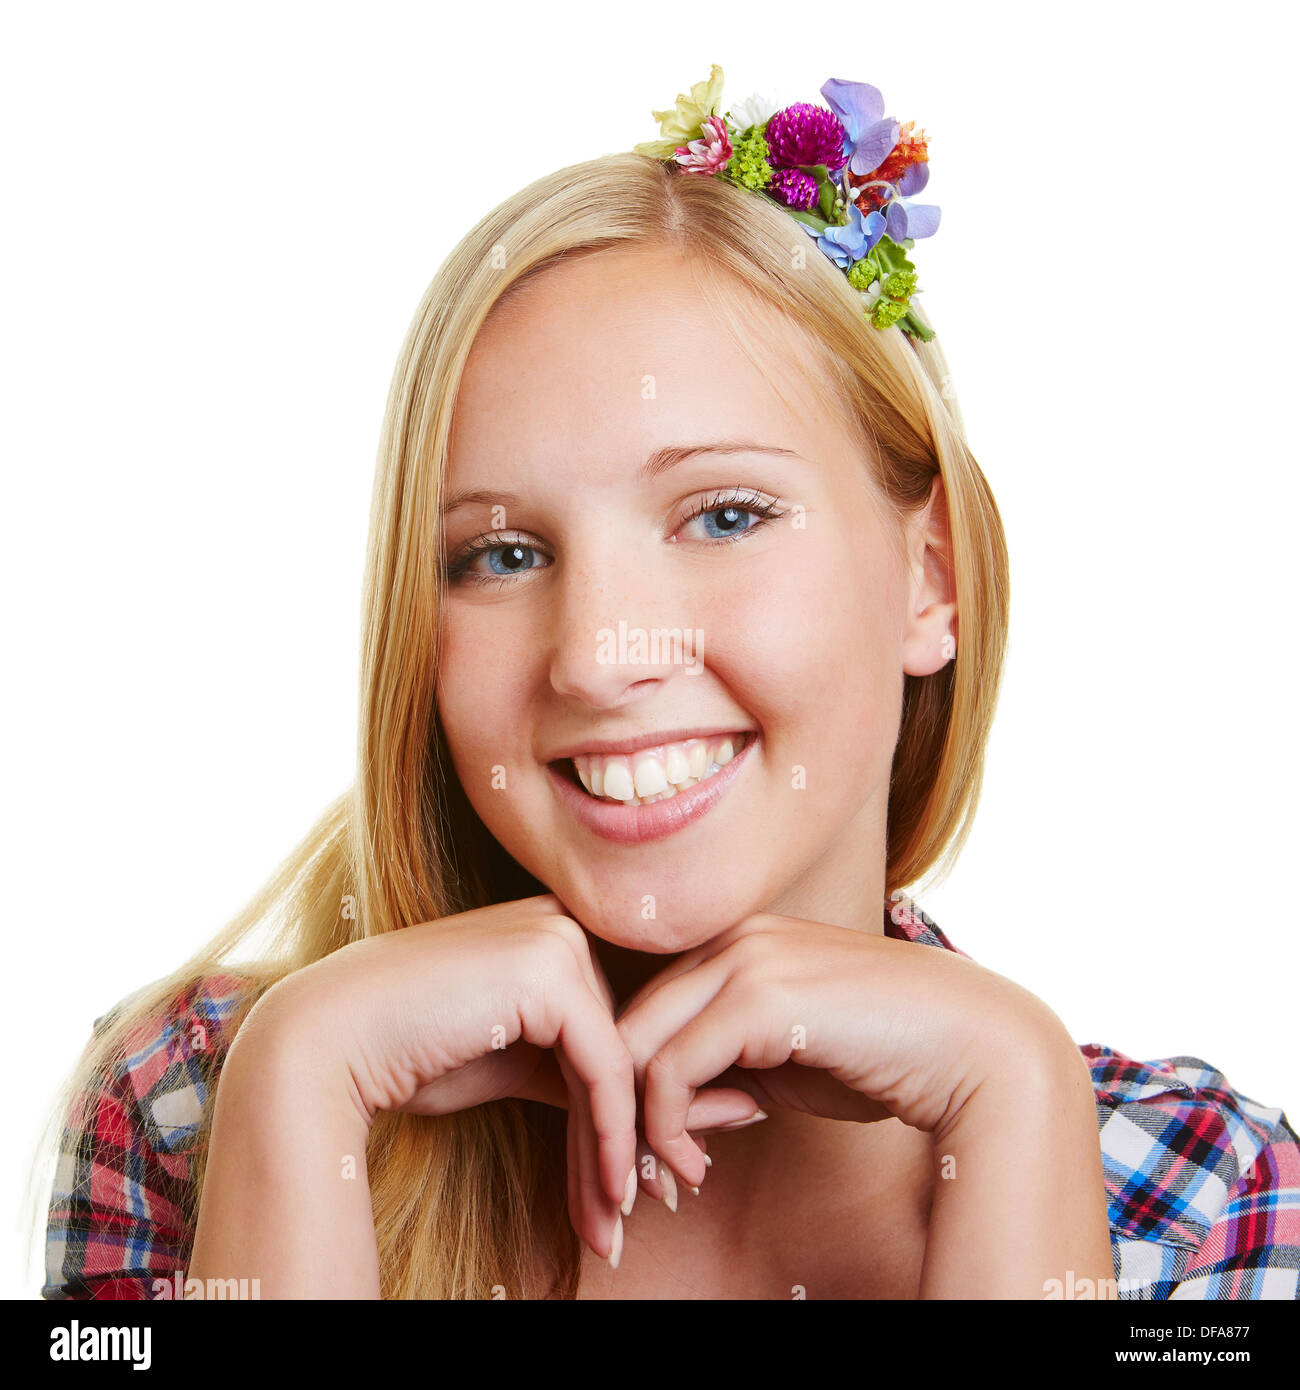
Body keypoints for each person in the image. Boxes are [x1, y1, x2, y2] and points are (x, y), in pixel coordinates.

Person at [35, 68, 1300, 1301]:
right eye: (502, 553)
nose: (597, 652)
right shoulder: (201, 1104)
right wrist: (298, 1087)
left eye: (723, 516)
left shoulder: (1201, 1198)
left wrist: (1012, 1097)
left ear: (932, 581)